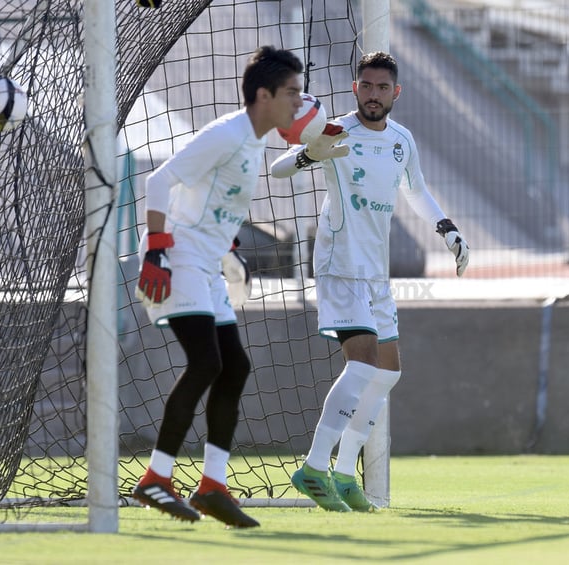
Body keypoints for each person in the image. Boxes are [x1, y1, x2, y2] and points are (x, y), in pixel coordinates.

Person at [270, 51, 469, 512]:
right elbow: (279, 170)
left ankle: (344, 475)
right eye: (366, 86)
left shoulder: (402, 139)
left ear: (394, 93)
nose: (373, 94)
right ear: (355, 88)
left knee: (387, 373)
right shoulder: (334, 129)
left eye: (382, 88)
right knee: (361, 368)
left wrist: (447, 228)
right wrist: (307, 155)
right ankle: (314, 468)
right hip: (340, 263)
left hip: (375, 272)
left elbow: (416, 190)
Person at [131, 45, 306, 527]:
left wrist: (227, 247)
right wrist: (157, 250)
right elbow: (159, 182)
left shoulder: (256, 141)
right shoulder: (227, 134)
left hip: (206, 262)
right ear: (264, 95)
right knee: (207, 362)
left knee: (234, 367)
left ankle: (211, 486)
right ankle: (156, 480)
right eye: (292, 92)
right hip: (179, 253)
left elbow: (215, 201)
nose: (300, 100)